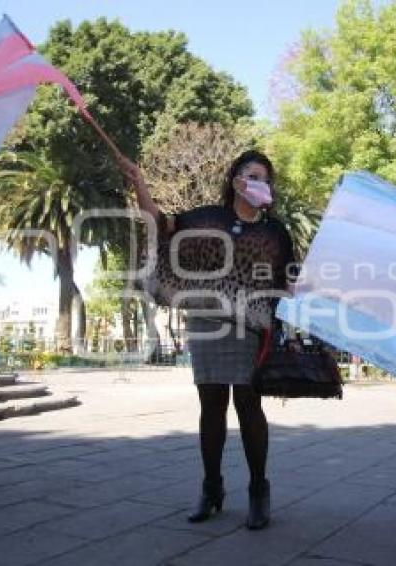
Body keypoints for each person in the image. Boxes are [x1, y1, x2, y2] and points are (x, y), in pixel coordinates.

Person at [122, 150, 295, 530]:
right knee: (211, 405)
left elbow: (287, 279)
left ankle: (258, 491)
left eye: (265, 178)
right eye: (253, 175)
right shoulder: (207, 218)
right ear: (236, 181)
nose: (259, 183)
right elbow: (159, 222)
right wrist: (139, 184)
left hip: (251, 327)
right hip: (206, 321)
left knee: (249, 404)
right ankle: (212, 488)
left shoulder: (275, 232)